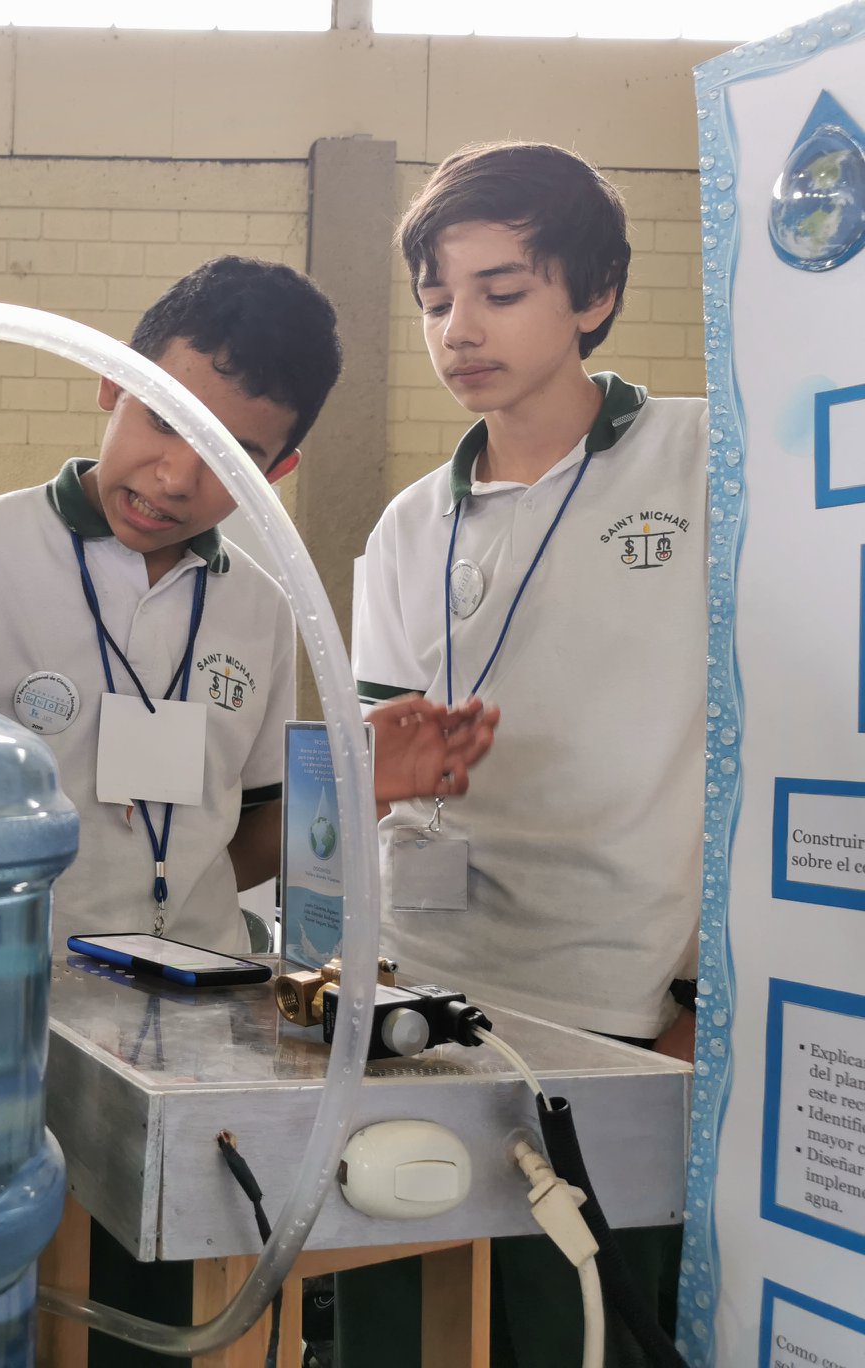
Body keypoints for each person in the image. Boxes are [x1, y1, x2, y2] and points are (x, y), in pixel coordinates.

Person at [343, 140, 707, 1367]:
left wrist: (707, 1003)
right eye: (438, 301)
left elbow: (780, 747)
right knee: (408, 1320)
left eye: (502, 291)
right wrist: (388, 767)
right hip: (426, 1003)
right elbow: (370, 772)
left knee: (590, 1330)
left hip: (618, 1012)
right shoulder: (409, 526)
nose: (461, 331)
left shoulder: (706, 466)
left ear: (593, 295)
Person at [0, 256, 497, 955]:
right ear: (113, 383)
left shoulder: (260, 607)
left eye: (230, 455)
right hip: (2, 994)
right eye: (163, 419)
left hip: (199, 1012)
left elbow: (237, 841)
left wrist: (357, 789)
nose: (175, 478)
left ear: (274, 475)